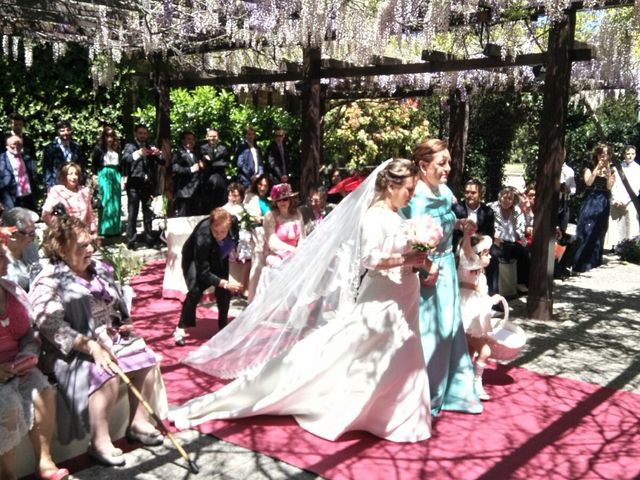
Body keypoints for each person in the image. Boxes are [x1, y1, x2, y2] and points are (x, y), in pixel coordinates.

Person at [168, 159, 436, 443]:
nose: (411, 195)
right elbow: (370, 259)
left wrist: (425, 261)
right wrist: (410, 258)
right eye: (408, 189)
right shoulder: (373, 216)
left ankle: (396, 414)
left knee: (399, 353)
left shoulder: (397, 215)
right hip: (382, 297)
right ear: (392, 185)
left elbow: (406, 251)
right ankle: (365, 409)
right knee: (345, 352)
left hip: (404, 294)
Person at [29, 215, 167, 467]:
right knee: (107, 372)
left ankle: (138, 422)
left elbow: (114, 305)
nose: (91, 248)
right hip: (70, 350)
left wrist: (121, 322)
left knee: (146, 360)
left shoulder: (99, 271)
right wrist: (91, 346)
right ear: (61, 248)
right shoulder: (49, 281)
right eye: (82, 245)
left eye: (90, 242)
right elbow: (51, 326)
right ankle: (99, 441)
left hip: (107, 338)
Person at [401, 139, 482, 416]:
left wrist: (460, 224)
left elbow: (443, 224)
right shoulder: (414, 198)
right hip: (428, 272)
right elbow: (409, 239)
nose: (448, 167)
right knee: (432, 331)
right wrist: (426, 266)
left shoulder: (444, 191)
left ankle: (453, 391)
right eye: (442, 163)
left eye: (448, 161)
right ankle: (427, 394)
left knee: (450, 328)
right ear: (423, 166)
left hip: (447, 264)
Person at [0, 243, 69, 480]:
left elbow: (29, 331)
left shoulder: (10, 288)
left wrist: (28, 352)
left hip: (19, 364)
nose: (8, 262)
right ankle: (6, 474)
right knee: (8, 405)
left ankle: (45, 461)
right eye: (1, 257)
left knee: (43, 390)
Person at [172, 208, 243, 346]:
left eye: (223, 232)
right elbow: (203, 272)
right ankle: (180, 328)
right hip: (194, 257)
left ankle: (223, 325)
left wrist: (232, 245)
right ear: (211, 225)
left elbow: (235, 236)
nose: (219, 235)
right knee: (195, 290)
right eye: (215, 231)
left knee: (223, 293)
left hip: (219, 254)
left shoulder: (233, 221)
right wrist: (224, 283)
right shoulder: (203, 236)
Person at [457, 232, 505, 401]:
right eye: (486, 253)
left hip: (474, 314)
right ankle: (477, 382)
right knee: (484, 351)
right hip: (468, 315)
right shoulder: (467, 270)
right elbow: (466, 256)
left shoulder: (478, 275)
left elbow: (481, 297)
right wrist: (467, 236)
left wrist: (492, 299)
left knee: (469, 350)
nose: (489, 255)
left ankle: (466, 381)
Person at [573, 144, 616, 273]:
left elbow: (609, 187)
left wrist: (608, 172)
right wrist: (597, 168)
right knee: (585, 229)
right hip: (590, 198)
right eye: (601, 153)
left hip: (603, 200)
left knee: (599, 230)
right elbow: (588, 182)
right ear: (596, 155)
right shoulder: (589, 167)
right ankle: (579, 263)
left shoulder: (612, 170)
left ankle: (593, 263)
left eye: (606, 154)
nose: (603, 156)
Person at [121, 125, 164, 250]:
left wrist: (159, 153)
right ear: (136, 134)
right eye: (140, 133)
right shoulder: (130, 146)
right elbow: (124, 160)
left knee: (148, 213)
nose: (143, 136)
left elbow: (162, 162)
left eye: (145, 133)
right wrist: (138, 154)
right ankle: (131, 241)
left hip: (147, 185)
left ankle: (149, 239)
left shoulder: (150, 146)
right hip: (134, 183)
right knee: (133, 213)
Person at [452, 179, 497, 294]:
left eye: (473, 193)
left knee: (494, 259)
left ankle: (490, 295)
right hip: (460, 247)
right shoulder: (457, 209)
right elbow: (453, 233)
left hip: (481, 246)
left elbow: (490, 234)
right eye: (467, 192)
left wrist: (483, 252)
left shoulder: (488, 211)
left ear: (480, 194)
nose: (469, 195)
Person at [489, 187, 530, 292]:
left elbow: (521, 229)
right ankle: (495, 287)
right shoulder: (492, 208)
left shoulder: (517, 211)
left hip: (511, 242)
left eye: (510, 199)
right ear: (500, 197)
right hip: (497, 241)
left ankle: (521, 282)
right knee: (494, 253)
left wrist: (522, 239)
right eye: (504, 197)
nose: (506, 201)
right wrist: (494, 238)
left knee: (525, 252)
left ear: (513, 201)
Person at [42, 162, 97, 234]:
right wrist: (56, 228)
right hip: (65, 234)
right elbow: (46, 213)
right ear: (64, 176)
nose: (74, 177)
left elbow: (90, 215)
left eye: (76, 174)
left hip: (82, 233)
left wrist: (93, 231)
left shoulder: (84, 191)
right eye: (70, 174)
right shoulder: (57, 191)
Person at [606, 145, 640, 250]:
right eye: (628, 154)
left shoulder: (638, 169)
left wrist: (625, 200)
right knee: (614, 224)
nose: (630, 156)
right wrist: (616, 199)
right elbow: (614, 184)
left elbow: (636, 187)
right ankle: (614, 246)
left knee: (629, 224)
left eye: (632, 154)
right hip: (616, 199)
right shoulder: (617, 167)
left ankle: (628, 248)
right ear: (624, 154)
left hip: (630, 200)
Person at [263, 183, 304, 268]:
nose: (282, 202)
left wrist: (299, 251)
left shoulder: (297, 214)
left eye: (285, 199)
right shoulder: (270, 216)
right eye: (278, 200)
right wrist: (292, 250)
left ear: (290, 200)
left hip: (297, 254)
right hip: (277, 256)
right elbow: (272, 243)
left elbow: (302, 237)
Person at [91, 126, 122, 237]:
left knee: (116, 202)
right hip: (103, 174)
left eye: (111, 136)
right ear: (104, 137)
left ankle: (115, 229)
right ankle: (105, 229)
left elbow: (121, 163)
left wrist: (123, 177)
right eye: (107, 136)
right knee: (105, 200)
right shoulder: (98, 149)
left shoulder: (117, 148)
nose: (110, 139)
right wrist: (94, 176)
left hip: (116, 174)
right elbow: (94, 164)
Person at [1, 207, 41, 292]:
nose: (34, 237)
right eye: (31, 233)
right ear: (12, 235)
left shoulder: (29, 246)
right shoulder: (2, 259)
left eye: (34, 231)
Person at [42, 120, 87, 191]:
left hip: (74, 186)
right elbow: (47, 170)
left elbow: (82, 167)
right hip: (57, 186)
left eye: (68, 130)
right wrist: (49, 187)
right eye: (62, 130)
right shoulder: (50, 148)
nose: (65, 133)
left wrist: (81, 183)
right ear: (57, 132)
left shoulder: (77, 148)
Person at [0, 135, 39, 212]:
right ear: (7, 146)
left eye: (19, 144)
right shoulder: (1, 160)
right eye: (13, 144)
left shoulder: (27, 158)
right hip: (10, 199)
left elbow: (33, 177)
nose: (16, 147)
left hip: (28, 197)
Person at [198, 128, 229, 213]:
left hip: (221, 179)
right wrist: (215, 162)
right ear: (207, 137)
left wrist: (210, 162)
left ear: (218, 137)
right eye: (211, 136)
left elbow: (225, 163)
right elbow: (203, 162)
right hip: (207, 179)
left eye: (215, 136)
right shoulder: (202, 148)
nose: (213, 138)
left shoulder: (223, 148)